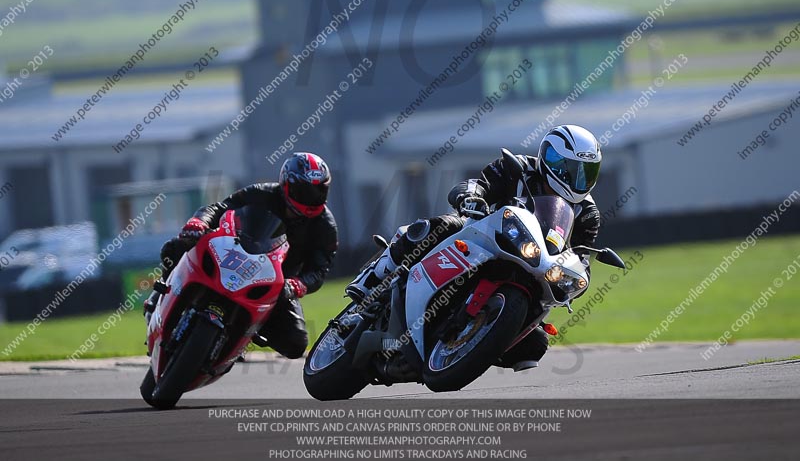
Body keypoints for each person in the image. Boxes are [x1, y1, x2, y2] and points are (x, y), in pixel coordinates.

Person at [347, 125, 602, 371]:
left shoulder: (587, 213)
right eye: (570, 169)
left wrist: (578, 279)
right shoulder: (518, 167)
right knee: (435, 227)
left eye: (586, 172)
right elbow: (477, 184)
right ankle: (370, 279)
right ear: (551, 159)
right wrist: (471, 197)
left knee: (534, 346)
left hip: (533, 263)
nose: (577, 179)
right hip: (482, 237)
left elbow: (582, 257)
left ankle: (468, 345)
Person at [145, 152, 338, 359]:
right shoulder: (261, 193)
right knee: (175, 247)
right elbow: (219, 208)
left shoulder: (325, 226)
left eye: (319, 191)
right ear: (288, 185)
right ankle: (160, 294)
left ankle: (243, 333)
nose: (313, 198)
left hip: (275, 283)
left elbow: (318, 270)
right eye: (306, 190)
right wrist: (200, 221)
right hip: (233, 255)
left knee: (296, 343)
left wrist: (299, 284)